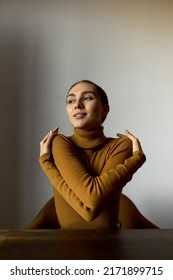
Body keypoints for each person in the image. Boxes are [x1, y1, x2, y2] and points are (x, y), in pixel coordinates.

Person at [39, 80, 146, 229]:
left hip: (110, 246)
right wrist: (136, 160)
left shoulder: (121, 145)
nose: (77, 105)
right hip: (66, 248)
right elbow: (90, 207)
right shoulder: (60, 142)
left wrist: (47, 165)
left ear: (105, 109)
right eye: (71, 100)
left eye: (87, 98)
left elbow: (92, 202)